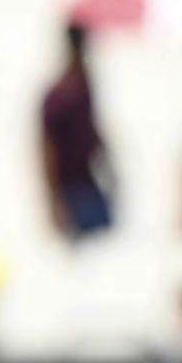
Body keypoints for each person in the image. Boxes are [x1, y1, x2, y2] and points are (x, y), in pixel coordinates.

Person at [40, 24, 113, 239]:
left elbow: (92, 128)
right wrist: (54, 201)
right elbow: (47, 151)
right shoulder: (58, 98)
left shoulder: (84, 89)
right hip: (70, 189)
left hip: (88, 182)